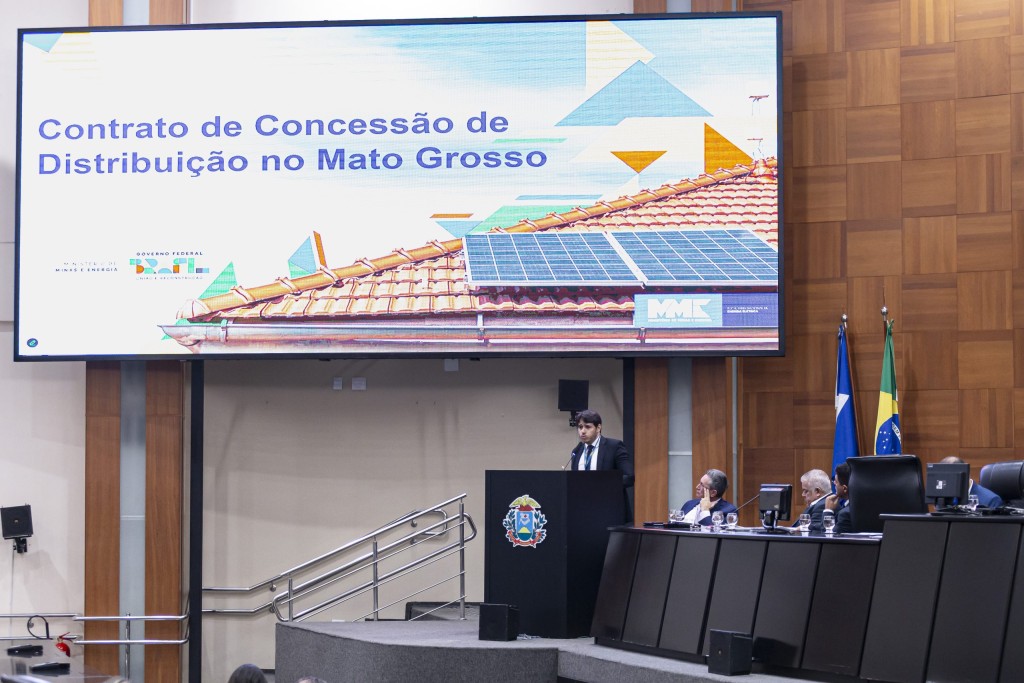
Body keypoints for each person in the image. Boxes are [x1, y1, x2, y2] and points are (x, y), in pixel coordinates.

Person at [567, 409, 635, 521]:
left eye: (587, 427)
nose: (582, 431)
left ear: (598, 428)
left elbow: (629, 477)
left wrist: (601, 484)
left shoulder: (614, 446)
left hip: (609, 510)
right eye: (580, 427)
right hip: (583, 510)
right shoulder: (577, 451)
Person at [939, 456, 1004, 508]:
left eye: (952, 479)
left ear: (967, 475)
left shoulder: (991, 500)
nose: (947, 483)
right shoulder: (943, 498)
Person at [825, 462, 852, 533]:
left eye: (836, 482)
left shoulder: (845, 514)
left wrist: (828, 511)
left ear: (844, 488)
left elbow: (826, 536)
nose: (834, 483)